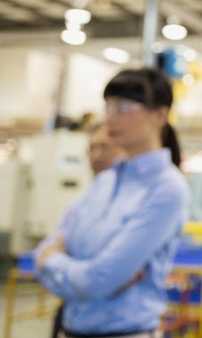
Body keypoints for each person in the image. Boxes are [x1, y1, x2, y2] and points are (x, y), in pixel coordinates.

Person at [36, 68, 190, 338]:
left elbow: (98, 280)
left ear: (159, 115)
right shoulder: (105, 182)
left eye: (123, 107)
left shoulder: (167, 189)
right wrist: (67, 267)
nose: (110, 119)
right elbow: (48, 250)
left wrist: (54, 262)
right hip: (71, 329)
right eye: (107, 108)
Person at [50, 122, 127, 338]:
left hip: (117, 326)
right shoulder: (78, 206)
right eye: (92, 148)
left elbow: (112, 276)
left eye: (105, 147)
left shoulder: (133, 205)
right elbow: (47, 254)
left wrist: (65, 268)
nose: (97, 155)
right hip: (73, 317)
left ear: (123, 148)